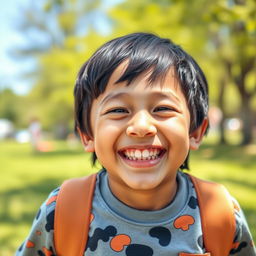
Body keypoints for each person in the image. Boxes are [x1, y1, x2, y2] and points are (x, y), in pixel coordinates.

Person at [16, 32, 255, 256]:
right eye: (118, 110)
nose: (141, 126)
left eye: (162, 108)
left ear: (195, 132)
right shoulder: (62, 211)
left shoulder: (220, 214)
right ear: (88, 136)